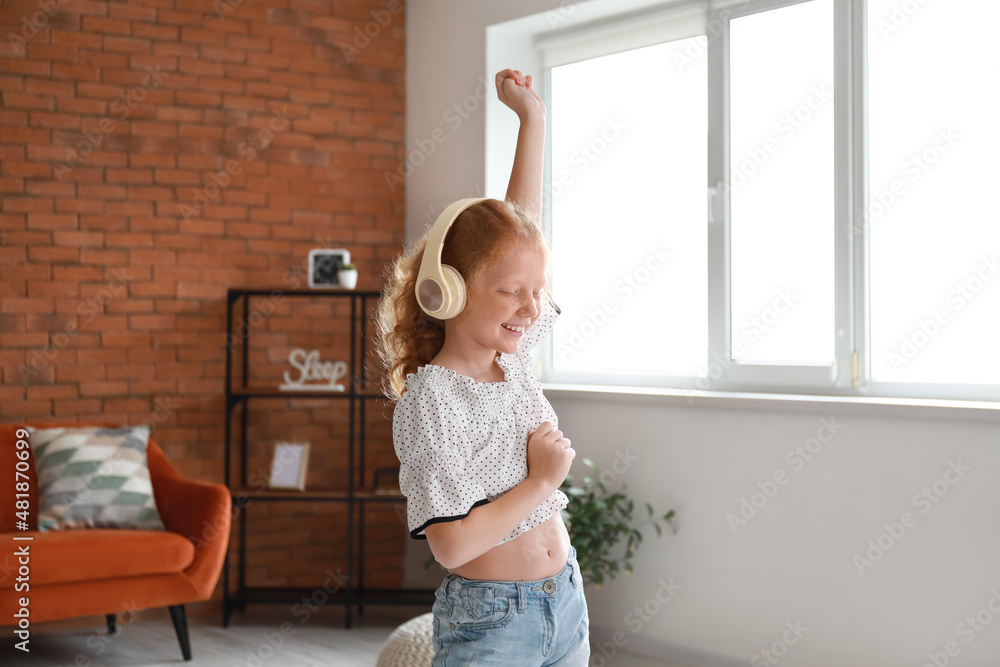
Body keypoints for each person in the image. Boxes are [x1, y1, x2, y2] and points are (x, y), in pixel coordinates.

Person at [374, 68, 590, 665]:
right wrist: (543, 483)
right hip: (493, 623)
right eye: (511, 293)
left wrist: (532, 121)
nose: (530, 308)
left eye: (536, 292)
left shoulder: (511, 360)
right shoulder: (432, 401)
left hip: (566, 603)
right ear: (450, 290)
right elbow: (452, 544)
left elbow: (520, 232)